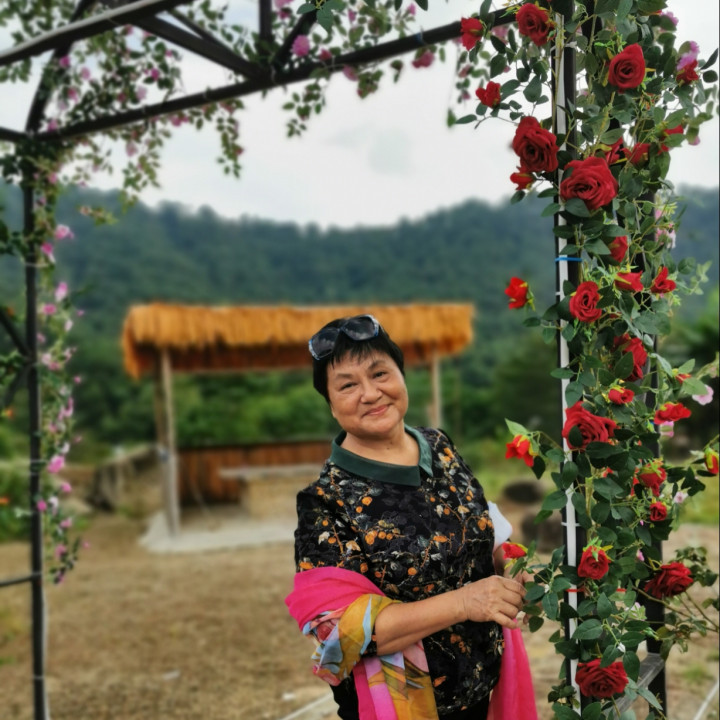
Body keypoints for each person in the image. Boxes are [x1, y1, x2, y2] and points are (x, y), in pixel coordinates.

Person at [285, 315, 534, 720]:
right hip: (400, 709)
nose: (371, 394)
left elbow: (483, 529)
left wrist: (515, 568)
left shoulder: (438, 445)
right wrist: (466, 602)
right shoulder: (325, 502)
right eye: (347, 385)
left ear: (401, 375)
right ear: (330, 403)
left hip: (482, 693)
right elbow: (340, 635)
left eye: (380, 373)